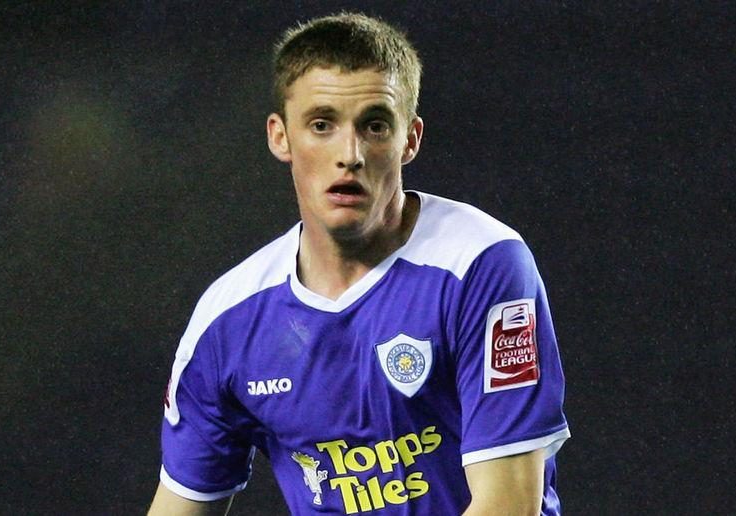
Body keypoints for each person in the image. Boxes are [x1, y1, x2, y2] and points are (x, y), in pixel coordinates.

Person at [148, 12, 570, 516]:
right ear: (280, 137)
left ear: (409, 139)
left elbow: (508, 504)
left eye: (374, 126)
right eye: (322, 125)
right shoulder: (226, 323)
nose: (349, 154)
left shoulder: (480, 264)